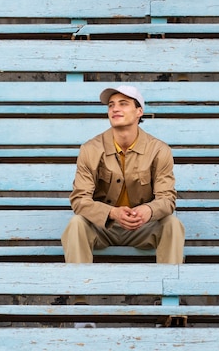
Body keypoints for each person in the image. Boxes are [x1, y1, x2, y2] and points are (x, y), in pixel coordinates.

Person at [61, 86, 185, 306]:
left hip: (143, 228)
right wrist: (112, 213)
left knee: (172, 224)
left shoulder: (159, 150)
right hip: (103, 227)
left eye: (123, 103)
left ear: (139, 112)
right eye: (111, 105)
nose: (115, 109)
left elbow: (168, 199)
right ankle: (80, 303)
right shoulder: (90, 149)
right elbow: (79, 200)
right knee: (76, 224)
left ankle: (168, 302)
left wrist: (149, 210)